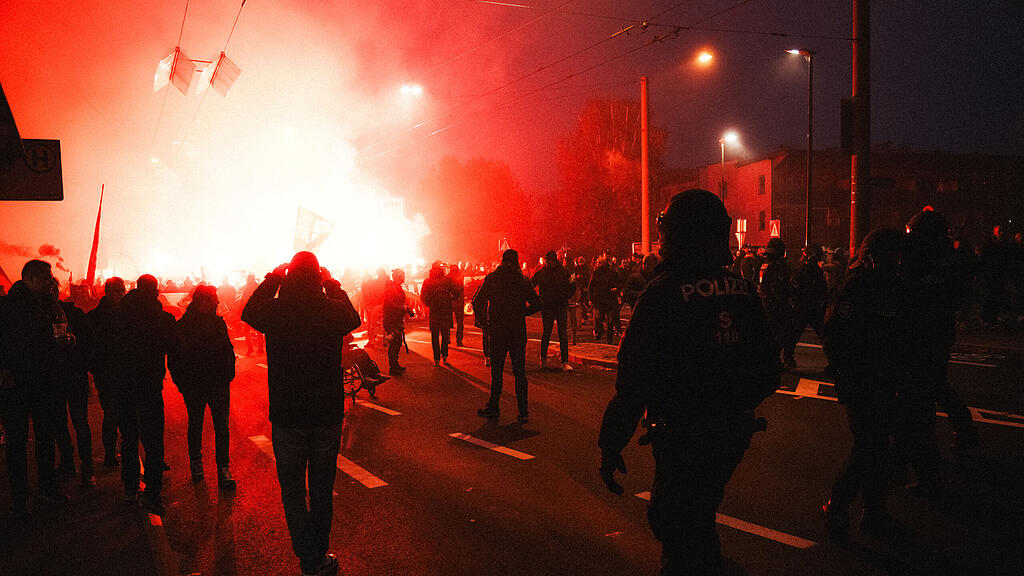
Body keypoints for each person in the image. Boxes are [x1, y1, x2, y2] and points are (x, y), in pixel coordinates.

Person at [599, 190, 779, 575]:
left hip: (682, 435)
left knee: (674, 519)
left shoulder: (661, 294)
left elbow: (632, 384)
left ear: (674, 233)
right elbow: (768, 370)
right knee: (697, 513)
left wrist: (611, 444)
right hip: (732, 432)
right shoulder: (743, 291)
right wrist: (731, 403)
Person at [241, 251, 360, 576]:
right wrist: (332, 283)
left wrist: (272, 278)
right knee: (322, 491)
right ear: (318, 276)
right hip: (325, 413)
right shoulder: (331, 309)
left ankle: (308, 557)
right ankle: (317, 556)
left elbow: (248, 311)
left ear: (289, 275)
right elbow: (353, 318)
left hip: (288, 414)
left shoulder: (276, 311)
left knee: (292, 491)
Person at [821, 228, 908, 541]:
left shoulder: (890, 286)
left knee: (878, 449)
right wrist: (850, 373)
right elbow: (835, 335)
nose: (896, 261)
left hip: (884, 380)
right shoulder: (855, 288)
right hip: (861, 381)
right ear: (872, 256)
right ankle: (837, 505)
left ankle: (874, 513)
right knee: (868, 447)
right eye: (890, 255)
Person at [0, 260, 76, 517]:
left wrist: (69, 340)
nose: (49, 282)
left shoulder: (50, 305)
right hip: (16, 385)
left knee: (45, 438)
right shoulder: (7, 307)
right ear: (29, 278)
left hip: (45, 383)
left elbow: (63, 332)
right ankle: (20, 500)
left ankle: (47, 486)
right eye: (45, 277)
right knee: (17, 443)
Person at [107, 274, 176, 514]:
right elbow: (177, 349)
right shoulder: (161, 318)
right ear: (155, 291)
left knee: (129, 438)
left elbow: (105, 351)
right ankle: (152, 494)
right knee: (153, 442)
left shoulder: (118, 317)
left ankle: (130, 486)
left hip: (122, 387)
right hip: (149, 387)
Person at [168, 285, 237, 488]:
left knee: (220, 427)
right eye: (213, 298)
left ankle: (222, 467)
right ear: (203, 301)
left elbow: (227, 350)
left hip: (217, 383)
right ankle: (198, 464)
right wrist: (184, 384)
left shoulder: (217, 323)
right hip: (196, 385)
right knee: (197, 424)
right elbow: (175, 359)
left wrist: (227, 374)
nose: (217, 302)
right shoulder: (184, 327)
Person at [473, 249, 541, 423]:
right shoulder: (522, 280)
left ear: (502, 261)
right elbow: (537, 303)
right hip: (517, 330)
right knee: (520, 372)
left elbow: (477, 302)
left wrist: (485, 323)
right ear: (516, 262)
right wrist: (522, 313)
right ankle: (523, 411)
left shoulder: (492, 279)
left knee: (497, 372)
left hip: (497, 330)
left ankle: (493, 407)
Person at [53, 284, 96, 488]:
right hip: (56, 379)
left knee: (79, 423)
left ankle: (86, 468)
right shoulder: (39, 316)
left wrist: (74, 343)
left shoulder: (73, 313)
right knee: (61, 424)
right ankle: (70, 464)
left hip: (73, 376)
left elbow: (89, 342)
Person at [87, 277, 126, 467]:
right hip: (106, 374)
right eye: (118, 290)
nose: (121, 294)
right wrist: (97, 369)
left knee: (126, 416)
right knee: (111, 414)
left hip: (125, 373)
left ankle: (126, 453)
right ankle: (110, 454)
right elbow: (90, 347)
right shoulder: (95, 317)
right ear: (108, 292)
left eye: (123, 290)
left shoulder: (129, 315)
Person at [785, 244, 829, 367]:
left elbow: (795, 285)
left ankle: (788, 358)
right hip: (810, 306)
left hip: (804, 306)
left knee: (794, 333)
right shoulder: (814, 270)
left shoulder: (806, 269)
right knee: (822, 334)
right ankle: (833, 361)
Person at [531, 250, 576, 371]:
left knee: (562, 333)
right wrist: (538, 299)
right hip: (547, 306)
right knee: (547, 332)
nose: (547, 263)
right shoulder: (541, 273)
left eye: (549, 261)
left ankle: (564, 361)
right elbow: (530, 285)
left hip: (560, 305)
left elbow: (573, 286)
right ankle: (543, 359)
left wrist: (565, 296)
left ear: (554, 261)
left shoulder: (564, 272)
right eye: (546, 261)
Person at [758, 238, 797, 368]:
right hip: (777, 305)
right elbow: (774, 287)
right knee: (781, 333)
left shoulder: (770, 266)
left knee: (779, 333)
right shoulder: (780, 267)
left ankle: (777, 358)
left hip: (773, 304)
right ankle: (776, 358)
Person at [420, 261, 456, 366]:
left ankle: (436, 359)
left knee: (434, 335)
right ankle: (444, 356)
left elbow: (423, 296)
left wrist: (429, 303)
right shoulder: (447, 280)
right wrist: (449, 299)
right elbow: (456, 291)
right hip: (445, 310)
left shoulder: (427, 281)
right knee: (445, 335)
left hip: (434, 311)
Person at [382, 268, 415, 376]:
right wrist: (403, 308)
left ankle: (395, 365)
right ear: (398, 276)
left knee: (397, 343)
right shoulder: (391, 289)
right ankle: (393, 367)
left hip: (396, 319)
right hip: (391, 320)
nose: (404, 277)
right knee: (394, 344)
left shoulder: (396, 288)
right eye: (402, 275)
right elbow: (390, 304)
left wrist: (405, 309)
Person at [589, 256, 622, 344]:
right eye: (597, 263)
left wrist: (616, 289)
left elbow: (619, 282)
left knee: (610, 321)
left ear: (604, 263)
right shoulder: (595, 273)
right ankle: (599, 330)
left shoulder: (611, 272)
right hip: (598, 299)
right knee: (597, 318)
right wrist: (590, 298)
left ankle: (609, 341)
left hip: (609, 298)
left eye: (599, 263)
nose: (598, 264)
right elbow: (591, 286)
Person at [450, 264, 467, 347]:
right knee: (460, 322)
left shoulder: (448, 277)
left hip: (450, 302)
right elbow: (461, 288)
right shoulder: (460, 276)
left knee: (448, 321)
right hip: (459, 302)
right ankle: (459, 340)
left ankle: (447, 338)